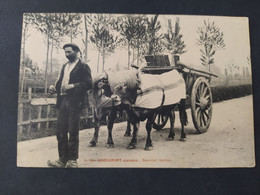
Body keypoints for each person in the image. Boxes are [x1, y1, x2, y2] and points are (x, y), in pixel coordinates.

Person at [47, 43, 92, 168]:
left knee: (72, 131)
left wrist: (73, 86)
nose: (67, 55)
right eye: (65, 52)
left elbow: (89, 83)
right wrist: (54, 88)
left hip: (75, 103)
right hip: (63, 102)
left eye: (69, 52)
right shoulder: (64, 66)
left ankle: (72, 160)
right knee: (60, 131)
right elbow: (61, 82)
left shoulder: (83, 66)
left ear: (77, 52)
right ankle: (62, 159)